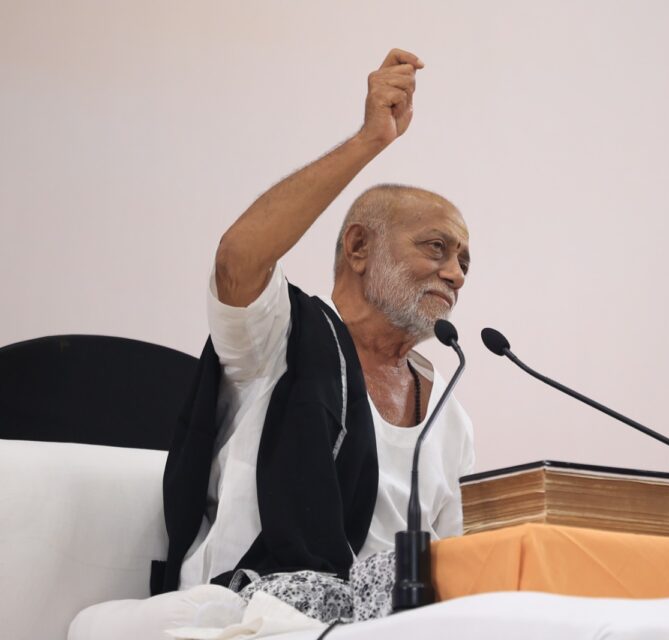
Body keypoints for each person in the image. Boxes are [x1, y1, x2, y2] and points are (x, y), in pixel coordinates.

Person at [68, 47, 475, 639]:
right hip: (257, 612)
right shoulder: (281, 338)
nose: (456, 274)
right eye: (436, 248)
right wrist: (368, 140)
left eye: (464, 261)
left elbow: (456, 562)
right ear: (358, 248)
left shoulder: (450, 415)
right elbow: (239, 258)